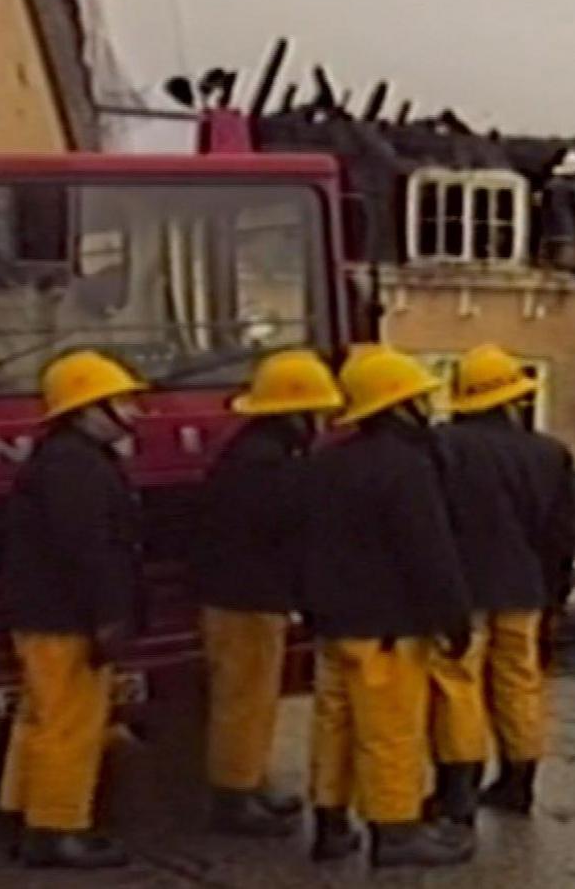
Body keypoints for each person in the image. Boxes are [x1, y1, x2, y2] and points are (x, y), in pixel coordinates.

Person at [301, 345, 476, 868]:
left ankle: (331, 825)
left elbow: (299, 543)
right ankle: (396, 833)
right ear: (399, 406)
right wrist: (453, 616)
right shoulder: (406, 467)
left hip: (335, 625)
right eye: (418, 398)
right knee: (390, 734)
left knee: (333, 726)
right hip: (389, 628)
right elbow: (428, 550)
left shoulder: (325, 463)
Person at [0, 349, 147, 869]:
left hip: (46, 614)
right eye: (121, 403)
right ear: (87, 410)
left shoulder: (64, 461)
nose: (134, 414)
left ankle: (30, 814)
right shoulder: (74, 468)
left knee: (42, 717)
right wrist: (109, 616)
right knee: (71, 725)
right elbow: (88, 548)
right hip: (66, 620)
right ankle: (59, 828)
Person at [192, 349, 342, 837]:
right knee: (244, 698)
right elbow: (284, 532)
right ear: (295, 412)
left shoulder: (254, 454)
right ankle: (234, 797)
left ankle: (248, 781)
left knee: (254, 696)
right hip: (246, 599)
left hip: (245, 593)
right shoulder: (267, 466)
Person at [436, 343, 575, 817]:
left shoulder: (443, 447)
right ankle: (519, 781)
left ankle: (458, 785)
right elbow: (560, 537)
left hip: (462, 588)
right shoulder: (549, 454)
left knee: (459, 681)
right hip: (525, 588)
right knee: (519, 680)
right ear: (512, 399)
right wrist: (556, 599)